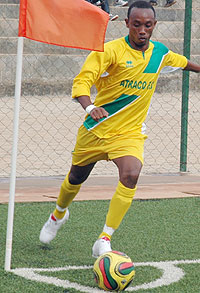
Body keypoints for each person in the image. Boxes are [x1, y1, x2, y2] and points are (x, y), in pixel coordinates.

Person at [39, 1, 200, 258]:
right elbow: (83, 80)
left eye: (147, 25)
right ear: (127, 24)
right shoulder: (109, 51)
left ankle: (104, 238)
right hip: (96, 130)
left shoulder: (159, 53)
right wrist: (89, 107)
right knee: (75, 179)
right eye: (136, 25)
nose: (142, 30)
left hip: (129, 134)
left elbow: (183, 63)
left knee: (131, 174)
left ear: (154, 25)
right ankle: (58, 214)